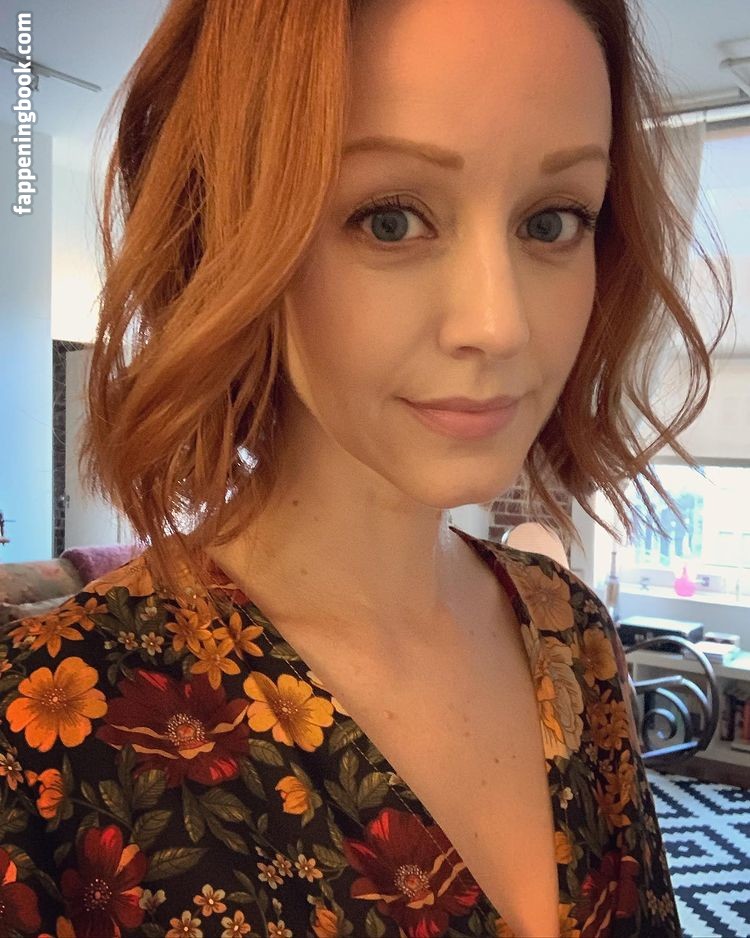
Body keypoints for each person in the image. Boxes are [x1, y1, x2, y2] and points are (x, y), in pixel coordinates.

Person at [0, 0, 733, 936]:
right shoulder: (47, 722)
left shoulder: (572, 635)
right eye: (391, 219)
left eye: (552, 220)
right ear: (230, 235)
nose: (500, 325)